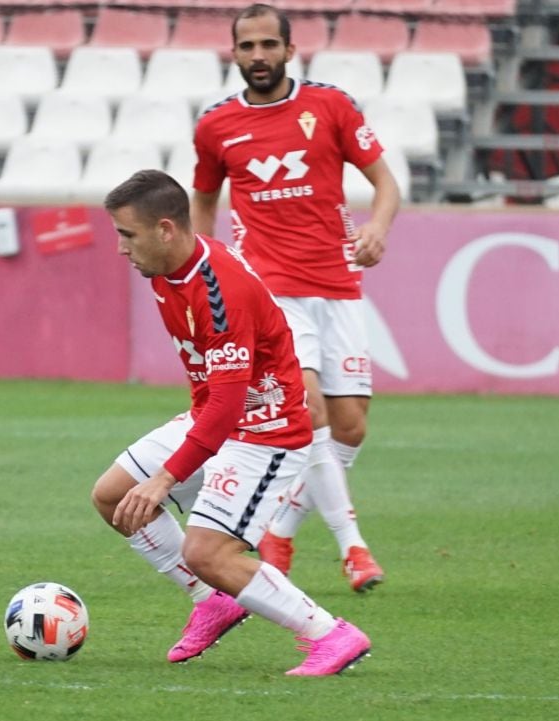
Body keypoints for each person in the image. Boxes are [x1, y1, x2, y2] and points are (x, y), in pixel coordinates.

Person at [93, 169, 371, 676]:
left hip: (266, 430)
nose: (120, 249)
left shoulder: (219, 291)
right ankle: (212, 602)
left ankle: (330, 634)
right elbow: (215, 401)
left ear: (165, 230)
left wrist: (166, 478)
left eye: (127, 235)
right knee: (114, 496)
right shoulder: (165, 269)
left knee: (207, 551)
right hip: (219, 415)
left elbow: (227, 401)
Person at [190, 3, 400, 592]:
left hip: (337, 283)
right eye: (247, 46)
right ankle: (354, 549)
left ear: (289, 49)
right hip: (270, 289)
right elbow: (203, 197)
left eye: (268, 45)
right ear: (234, 53)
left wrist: (377, 227)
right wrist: (213, 265)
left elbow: (385, 182)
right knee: (307, 410)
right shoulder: (215, 126)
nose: (258, 56)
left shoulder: (330, 106)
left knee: (350, 426)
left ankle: (280, 528)